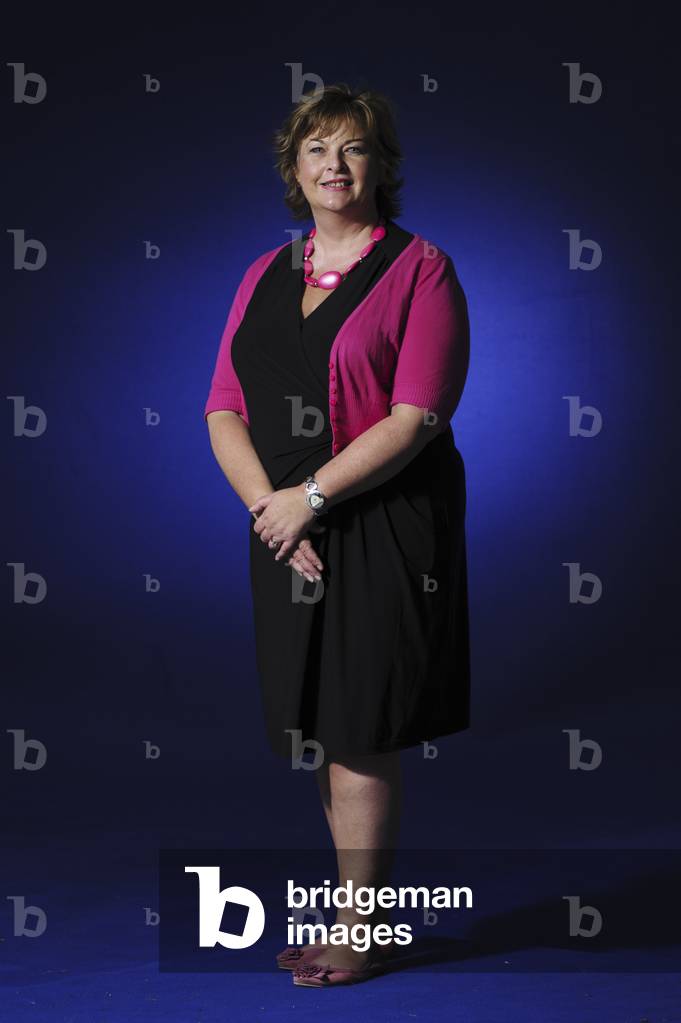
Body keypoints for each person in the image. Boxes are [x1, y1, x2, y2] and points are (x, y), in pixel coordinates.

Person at [204, 82, 471, 988]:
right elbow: (223, 407)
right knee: (318, 725)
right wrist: (271, 511)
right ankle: (362, 916)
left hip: (380, 515)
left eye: (353, 147)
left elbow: (417, 415)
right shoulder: (263, 271)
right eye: (316, 147)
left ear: (380, 165)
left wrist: (309, 497)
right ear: (294, 165)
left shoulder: (420, 268)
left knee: (360, 724)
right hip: (282, 522)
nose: (334, 164)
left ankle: (362, 928)